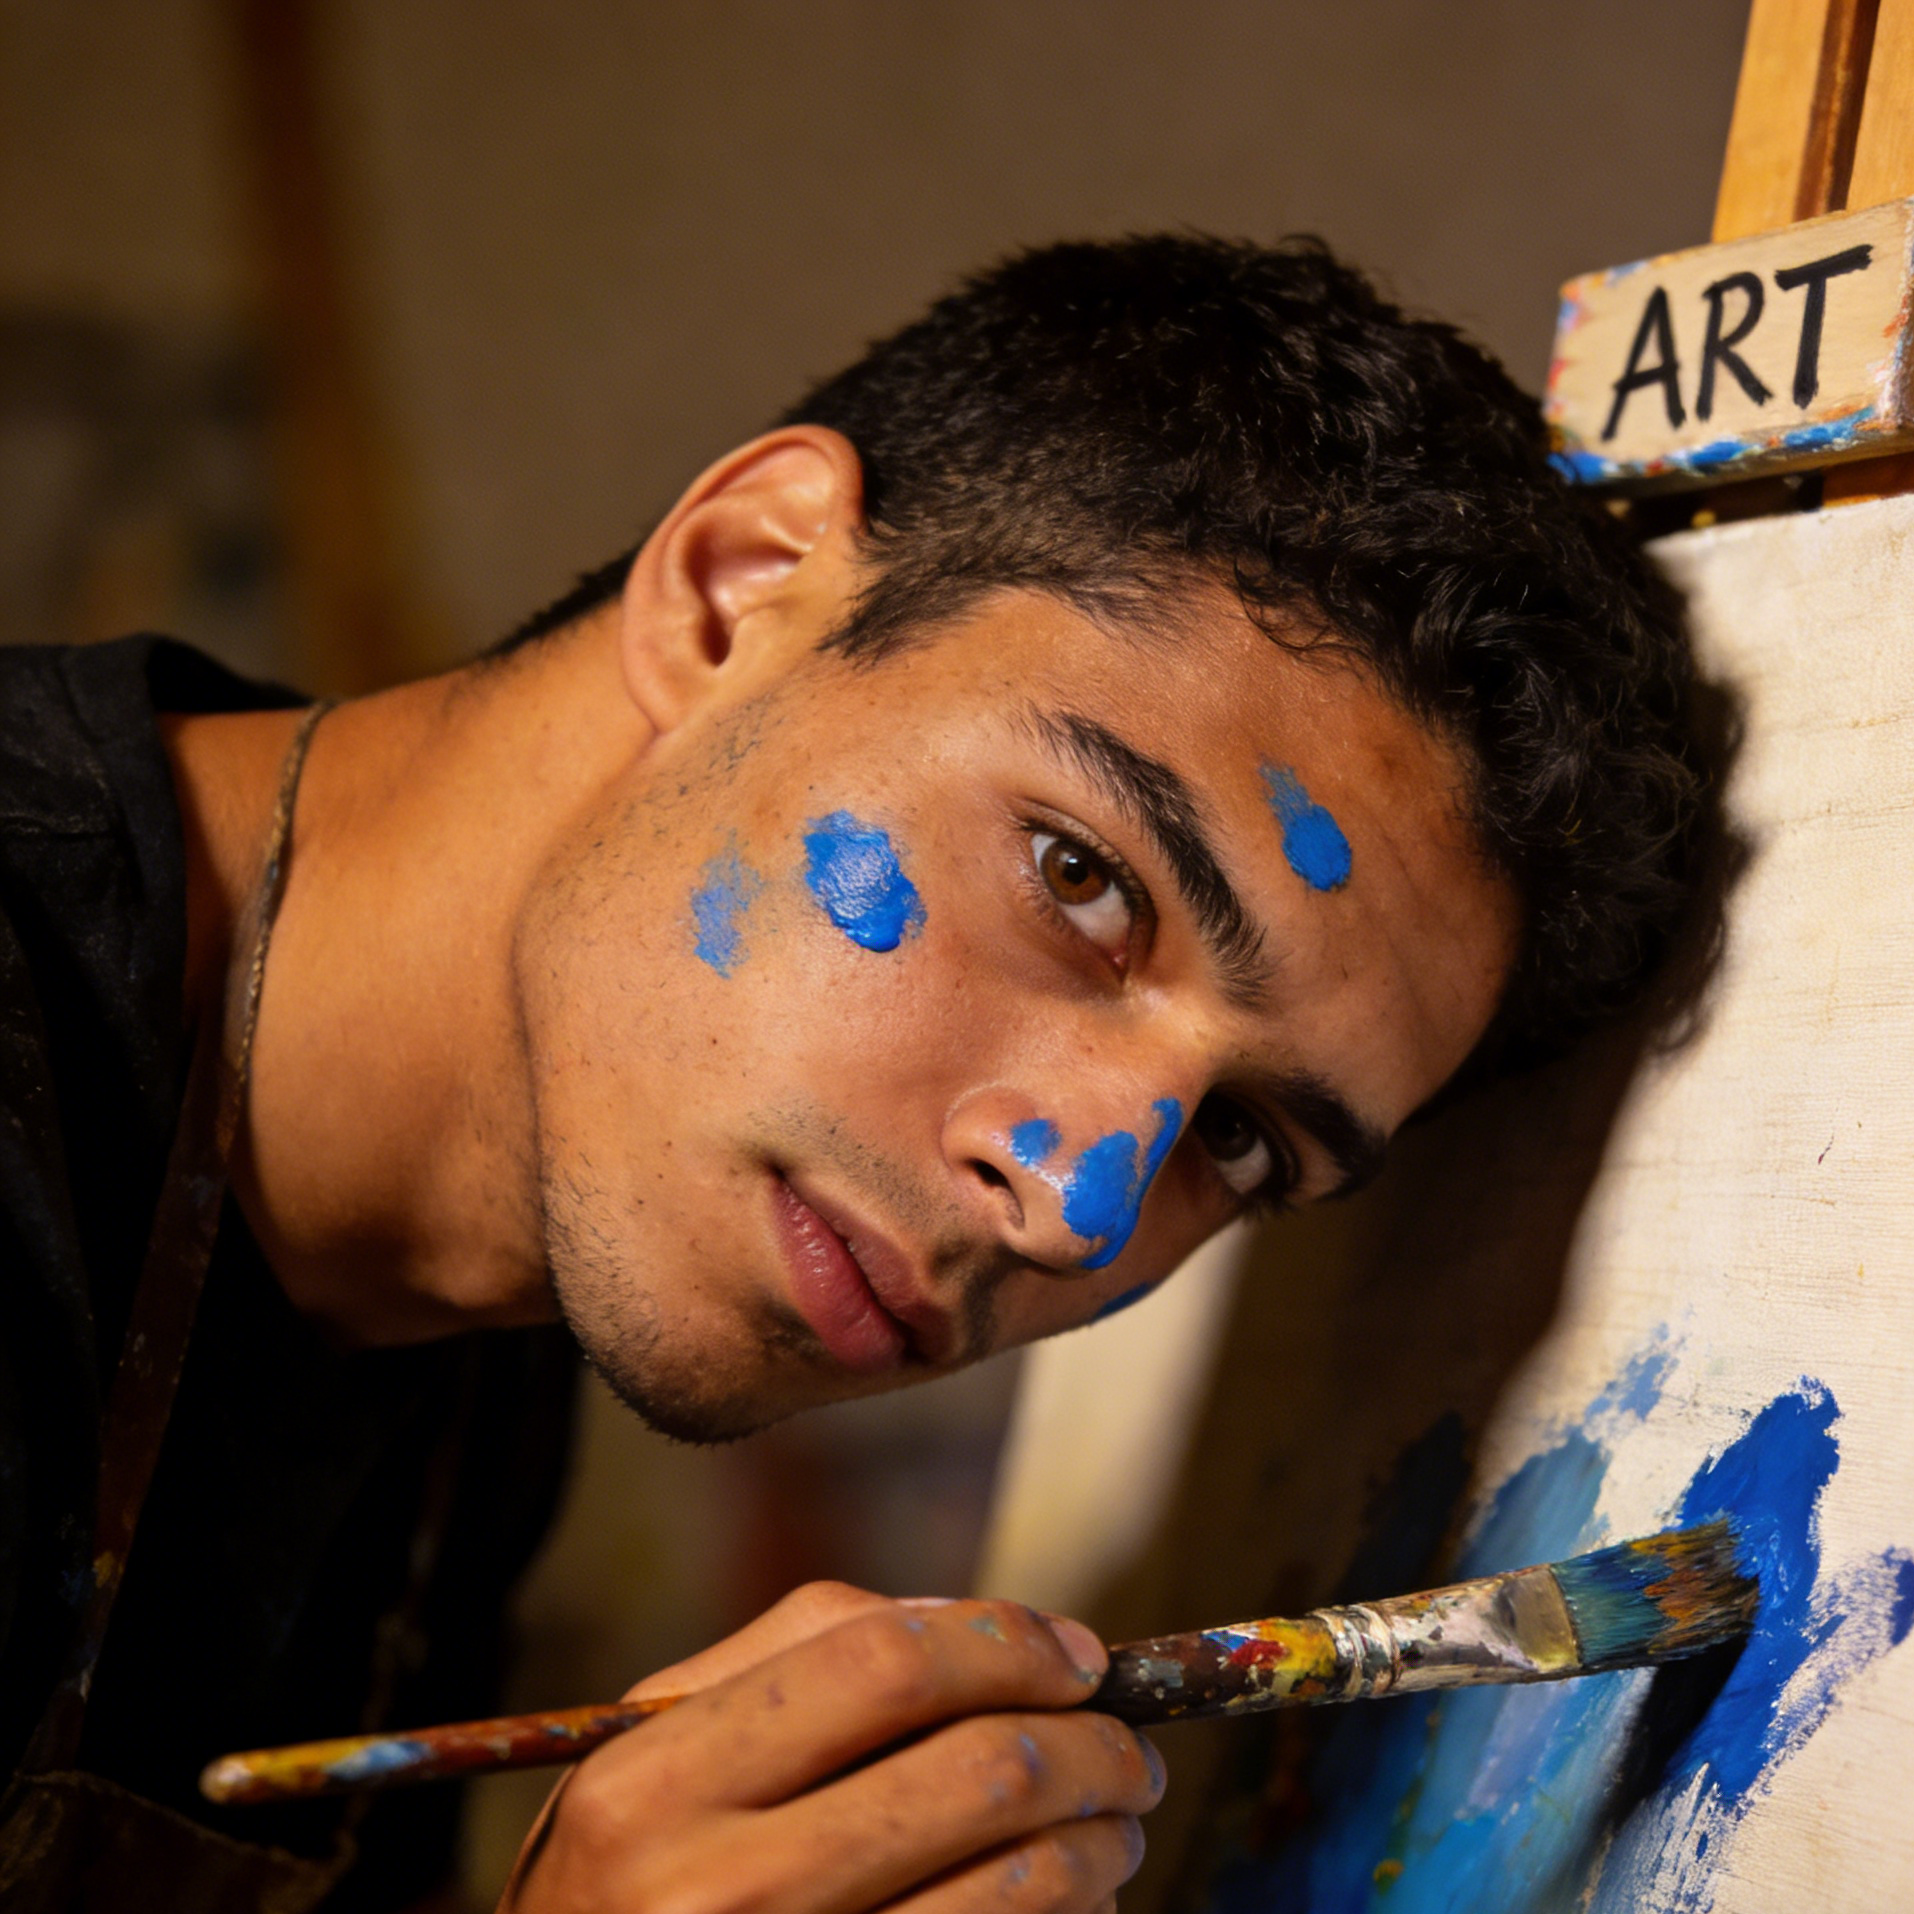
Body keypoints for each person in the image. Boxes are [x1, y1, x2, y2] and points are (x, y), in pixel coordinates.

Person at [0, 235, 1702, 1912]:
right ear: (740, 582)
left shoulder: (473, 1317)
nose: (1076, 1199)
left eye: (1243, 1142)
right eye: (1082, 878)